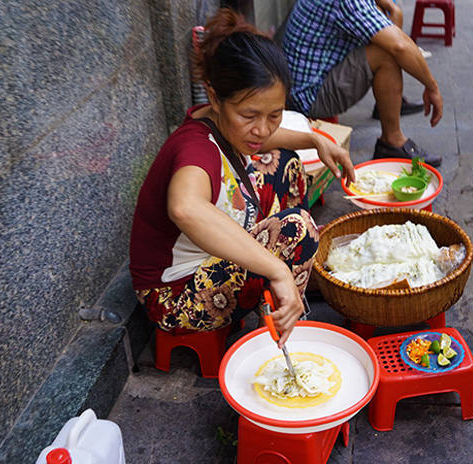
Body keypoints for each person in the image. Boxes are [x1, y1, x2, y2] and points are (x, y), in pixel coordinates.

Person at [129, 8, 354, 347]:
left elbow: (265, 139)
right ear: (215, 97)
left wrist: (315, 140)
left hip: (210, 257)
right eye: (249, 115)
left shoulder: (223, 125)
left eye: (274, 115)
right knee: (298, 228)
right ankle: (287, 310)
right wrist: (277, 270)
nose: (262, 128)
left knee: (285, 162)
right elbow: (185, 208)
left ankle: (291, 282)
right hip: (174, 296)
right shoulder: (195, 150)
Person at [283, 0, 445, 166]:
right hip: (308, 96)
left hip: (305, 82)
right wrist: (432, 87)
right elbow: (399, 46)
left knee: (385, 24)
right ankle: (392, 141)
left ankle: (390, 102)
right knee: (386, 54)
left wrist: (395, 11)